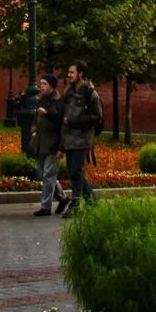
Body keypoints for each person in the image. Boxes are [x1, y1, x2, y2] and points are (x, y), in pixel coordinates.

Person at [60, 61, 103, 214]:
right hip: (69, 139)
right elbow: (61, 112)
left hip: (83, 139)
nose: (69, 75)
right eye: (69, 72)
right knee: (74, 172)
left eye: (72, 72)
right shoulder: (69, 92)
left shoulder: (90, 93)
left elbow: (97, 117)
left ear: (81, 74)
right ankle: (91, 200)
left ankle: (75, 205)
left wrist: (73, 122)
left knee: (75, 171)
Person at [29, 74, 66, 217]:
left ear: (51, 85)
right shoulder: (41, 100)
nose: (41, 86)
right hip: (40, 143)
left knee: (48, 174)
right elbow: (35, 121)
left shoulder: (58, 102)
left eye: (44, 84)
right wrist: (33, 132)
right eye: (40, 83)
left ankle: (45, 206)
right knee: (43, 175)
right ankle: (62, 197)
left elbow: (60, 123)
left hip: (52, 144)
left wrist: (61, 148)